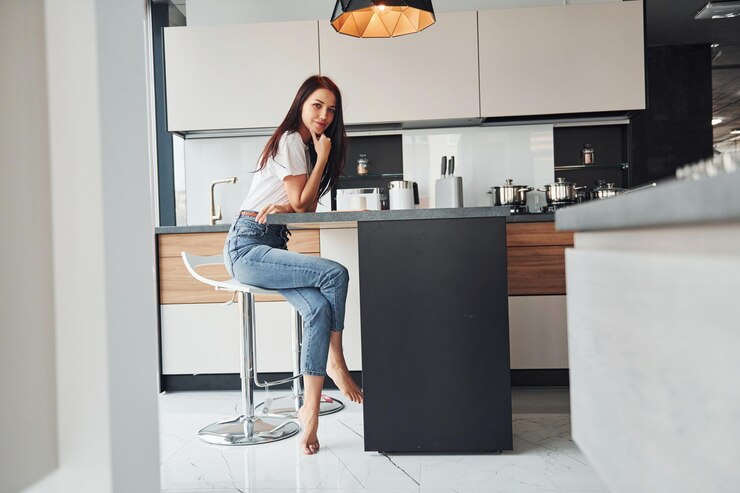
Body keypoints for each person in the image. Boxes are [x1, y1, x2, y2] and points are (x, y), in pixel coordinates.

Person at [223, 75, 363, 455]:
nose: (324, 115)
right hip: (247, 247)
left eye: (331, 110)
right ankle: (338, 362)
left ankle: (311, 414)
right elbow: (304, 204)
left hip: (269, 245)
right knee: (336, 272)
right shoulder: (289, 141)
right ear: (301, 103)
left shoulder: (302, 146)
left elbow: (301, 206)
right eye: (317, 105)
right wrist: (318, 162)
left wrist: (288, 201)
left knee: (317, 309)